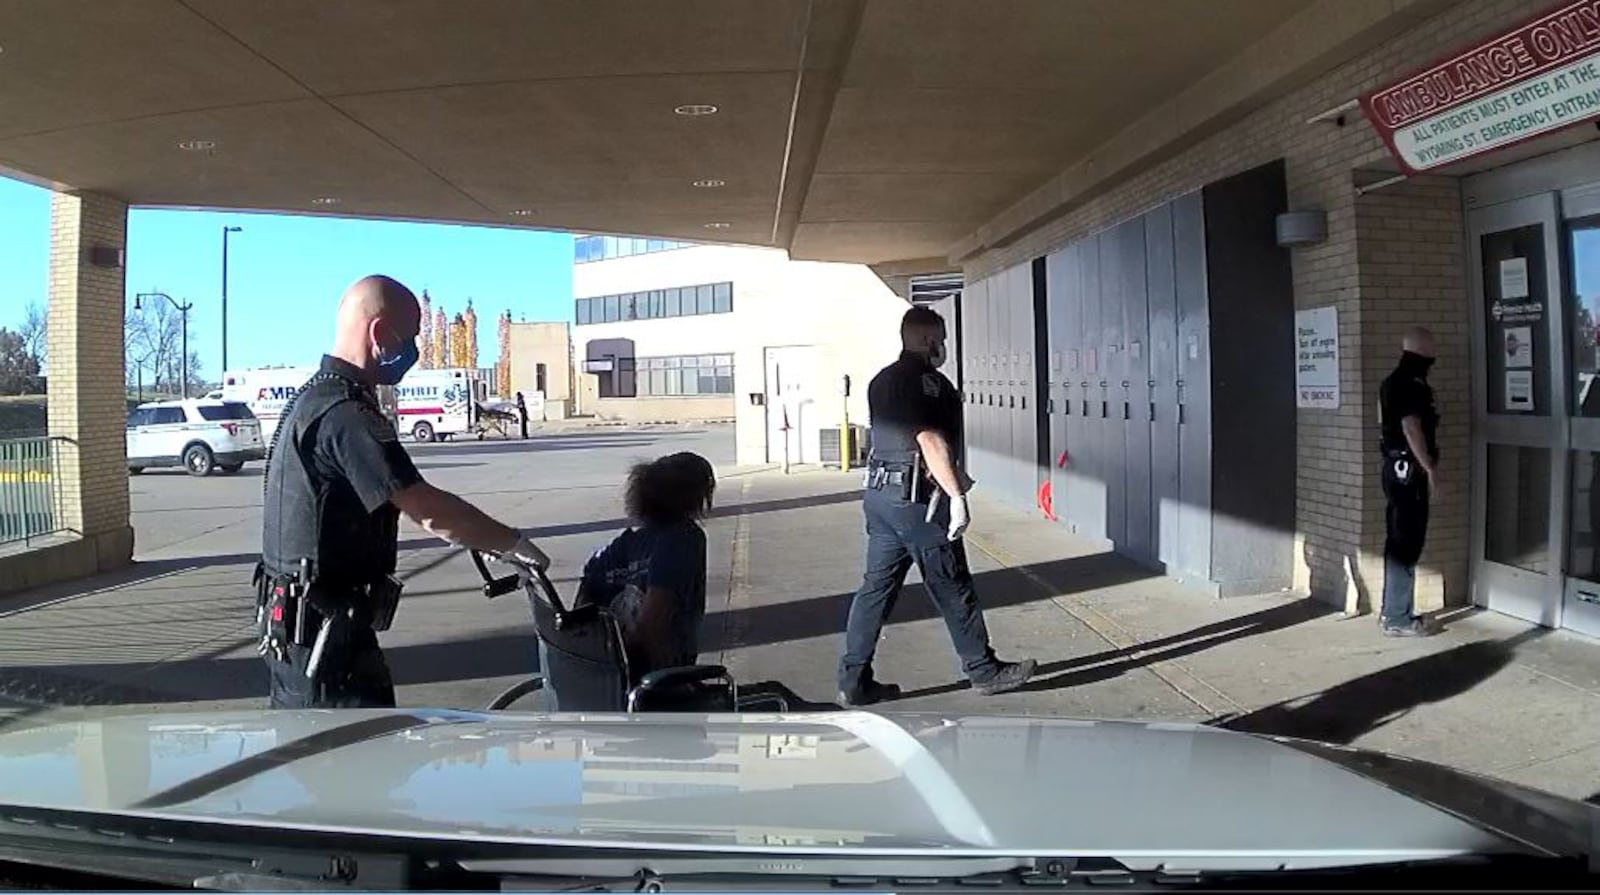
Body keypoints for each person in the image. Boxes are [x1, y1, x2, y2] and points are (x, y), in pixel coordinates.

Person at [257, 275, 551, 708]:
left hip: (301, 629)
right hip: (328, 639)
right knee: (357, 761)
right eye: (409, 337)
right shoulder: (347, 414)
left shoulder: (311, 400)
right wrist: (512, 544)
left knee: (314, 759)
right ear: (379, 333)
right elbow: (424, 506)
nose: (411, 351)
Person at [838, 306, 1036, 706]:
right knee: (952, 586)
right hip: (917, 505)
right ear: (928, 340)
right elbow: (928, 440)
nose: (943, 347)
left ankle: (852, 680)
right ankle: (983, 670)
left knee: (875, 590)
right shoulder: (929, 383)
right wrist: (957, 497)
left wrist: (954, 477)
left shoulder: (881, 380)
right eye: (940, 339)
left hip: (880, 498)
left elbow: (897, 439)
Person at [570, 452, 715, 680]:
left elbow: (581, 608)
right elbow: (654, 620)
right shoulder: (685, 540)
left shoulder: (620, 545)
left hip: (596, 673)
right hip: (651, 679)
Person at [1377, 326, 1441, 638]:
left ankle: (1394, 611)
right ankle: (1398, 618)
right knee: (1407, 540)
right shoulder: (1410, 383)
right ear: (1423, 348)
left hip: (1395, 467)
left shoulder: (1393, 381)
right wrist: (1428, 465)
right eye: (1433, 345)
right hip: (1407, 469)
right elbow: (1411, 426)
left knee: (1399, 538)